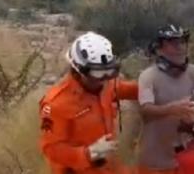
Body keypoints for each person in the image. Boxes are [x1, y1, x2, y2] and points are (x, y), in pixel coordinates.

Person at [39, 31, 138, 174]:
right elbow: (51, 148)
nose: (103, 78)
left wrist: (160, 84)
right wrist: (88, 153)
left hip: (109, 168)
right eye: (97, 73)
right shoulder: (56, 103)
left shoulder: (106, 86)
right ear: (79, 69)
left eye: (108, 71)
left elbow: (132, 90)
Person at [137, 24, 194, 174]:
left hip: (185, 154)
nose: (180, 47)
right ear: (159, 49)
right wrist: (172, 109)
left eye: (182, 42)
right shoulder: (149, 76)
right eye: (173, 43)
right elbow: (145, 110)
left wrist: (193, 120)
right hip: (154, 158)